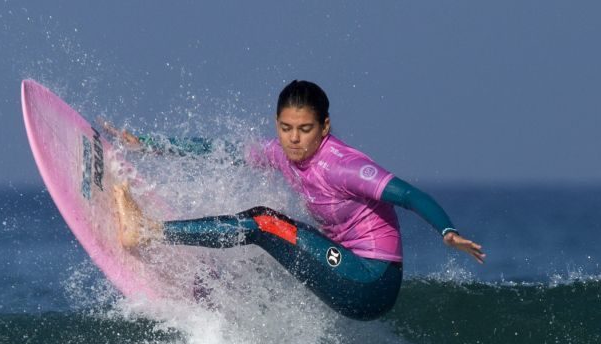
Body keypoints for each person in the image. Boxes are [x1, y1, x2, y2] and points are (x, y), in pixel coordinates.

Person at [110, 80, 485, 320]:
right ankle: (209, 299)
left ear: (324, 128)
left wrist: (447, 231)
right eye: (286, 128)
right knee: (267, 247)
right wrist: (150, 144)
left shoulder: (344, 167)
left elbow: (410, 194)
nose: (294, 139)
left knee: (263, 222)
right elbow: (220, 150)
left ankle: (146, 231)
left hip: (371, 281)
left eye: (305, 130)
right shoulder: (281, 154)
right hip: (347, 268)